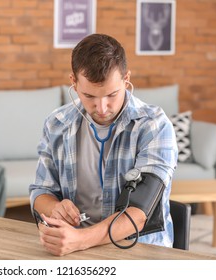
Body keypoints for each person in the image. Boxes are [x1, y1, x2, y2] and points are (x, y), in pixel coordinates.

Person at [29, 34, 178, 256]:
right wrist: (54, 208)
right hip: (75, 247)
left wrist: (80, 239)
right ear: (73, 82)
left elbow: (139, 213)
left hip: (138, 249)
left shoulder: (154, 126)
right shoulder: (57, 123)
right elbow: (40, 192)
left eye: (111, 94)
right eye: (89, 96)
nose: (101, 107)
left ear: (126, 79)